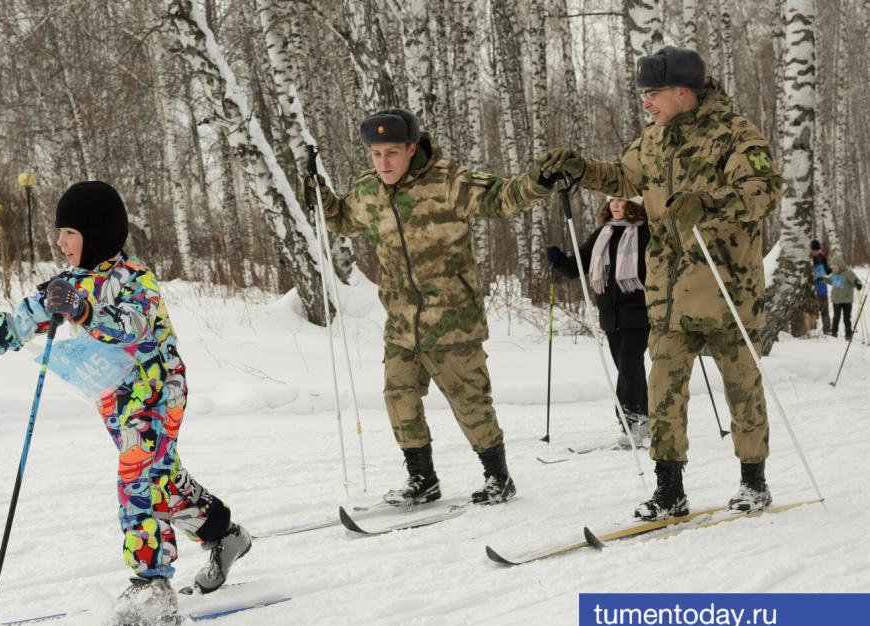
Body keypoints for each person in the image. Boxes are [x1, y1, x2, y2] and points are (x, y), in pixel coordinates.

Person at [0, 181, 251, 626]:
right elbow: (20, 322)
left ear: (97, 233)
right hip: (115, 398)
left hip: (158, 389)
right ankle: (223, 533)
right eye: (59, 232)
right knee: (158, 478)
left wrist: (84, 315)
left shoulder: (135, 279)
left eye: (69, 232)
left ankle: (151, 585)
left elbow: (132, 327)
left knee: (137, 478)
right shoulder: (66, 285)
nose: (60, 242)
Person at [533, 46, 782, 520]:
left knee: (742, 388)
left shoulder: (734, 134)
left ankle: (754, 481)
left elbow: (763, 192)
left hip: (726, 287)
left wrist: (707, 203)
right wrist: (580, 169)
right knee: (663, 391)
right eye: (643, 94)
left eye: (652, 94)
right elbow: (620, 177)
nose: (646, 103)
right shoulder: (652, 141)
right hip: (666, 294)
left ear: (682, 93)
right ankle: (669, 489)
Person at [308, 108, 549, 506]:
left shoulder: (449, 183)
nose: (383, 163)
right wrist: (319, 196)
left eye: (391, 153)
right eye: (375, 154)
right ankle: (422, 479)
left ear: (411, 149)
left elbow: (502, 198)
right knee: (398, 397)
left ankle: (498, 477)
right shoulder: (370, 191)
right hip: (402, 320)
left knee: (469, 401)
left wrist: (539, 181)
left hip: (452, 320)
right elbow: (344, 220)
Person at [545, 197, 651, 448]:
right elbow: (578, 265)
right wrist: (559, 260)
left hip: (640, 311)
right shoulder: (603, 233)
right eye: (612, 201)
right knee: (629, 368)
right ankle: (644, 416)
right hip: (611, 315)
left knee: (628, 365)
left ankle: (630, 422)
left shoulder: (646, 232)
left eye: (622, 202)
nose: (616, 206)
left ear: (634, 205)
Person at [828, 253, 863, 341]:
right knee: (836, 317)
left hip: (847, 300)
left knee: (846, 318)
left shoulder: (848, 273)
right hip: (836, 300)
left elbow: (855, 280)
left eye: (835, 268)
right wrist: (823, 279)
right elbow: (830, 280)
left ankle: (848, 335)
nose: (834, 270)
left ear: (840, 266)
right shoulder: (834, 274)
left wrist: (857, 284)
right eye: (833, 268)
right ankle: (833, 333)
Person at [811, 240, 832, 334]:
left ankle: (827, 330)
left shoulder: (822, 258)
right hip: (811, 286)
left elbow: (827, 271)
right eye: (814, 251)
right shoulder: (809, 259)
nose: (816, 252)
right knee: (812, 308)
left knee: (824, 308)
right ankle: (811, 330)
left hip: (822, 285)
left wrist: (830, 267)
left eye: (817, 250)